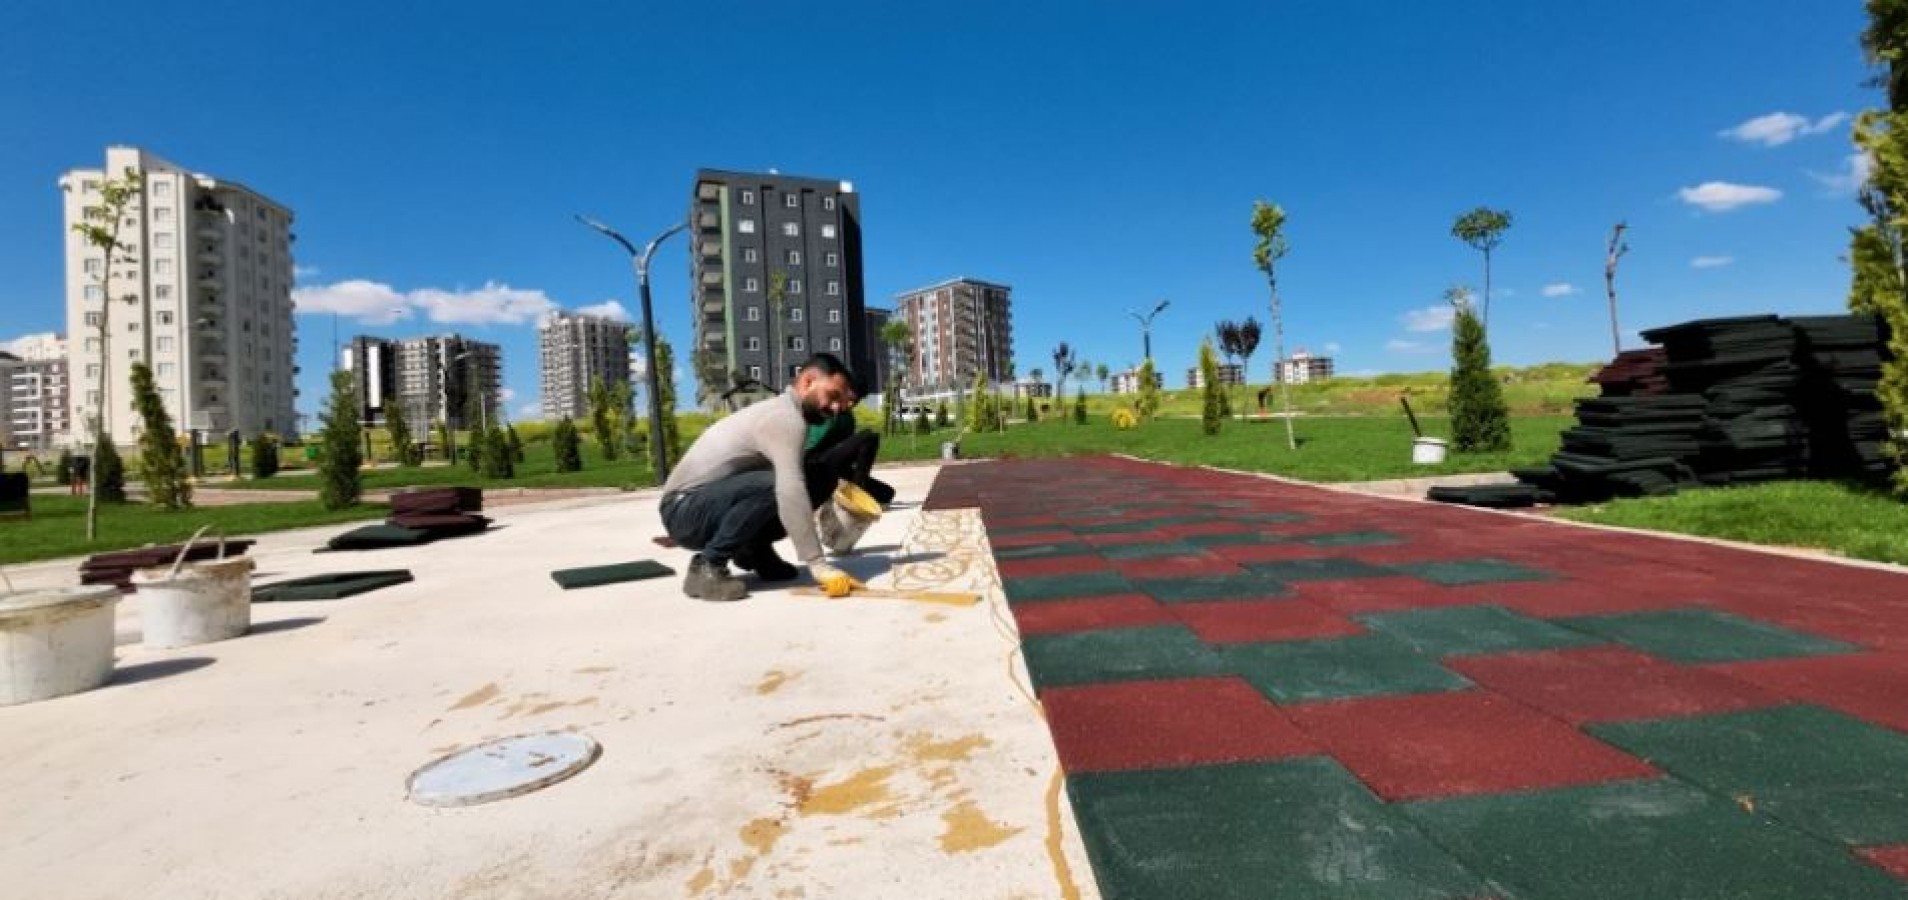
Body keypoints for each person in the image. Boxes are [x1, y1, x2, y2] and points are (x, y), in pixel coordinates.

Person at [658, 353, 859, 602]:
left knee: (819, 477)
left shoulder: (791, 414)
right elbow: (789, 489)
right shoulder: (784, 418)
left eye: (842, 402)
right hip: (683, 510)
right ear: (808, 381)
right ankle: (707, 566)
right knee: (779, 485)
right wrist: (818, 564)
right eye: (833, 396)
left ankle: (754, 550)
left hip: (704, 504)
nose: (837, 407)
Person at [802, 373, 896, 507]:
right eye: (851, 398)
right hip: (811, 466)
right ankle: (856, 496)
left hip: (832, 468)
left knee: (886, 493)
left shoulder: (848, 418)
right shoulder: (822, 406)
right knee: (869, 437)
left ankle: (853, 491)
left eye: (857, 401)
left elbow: (846, 454)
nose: (852, 404)